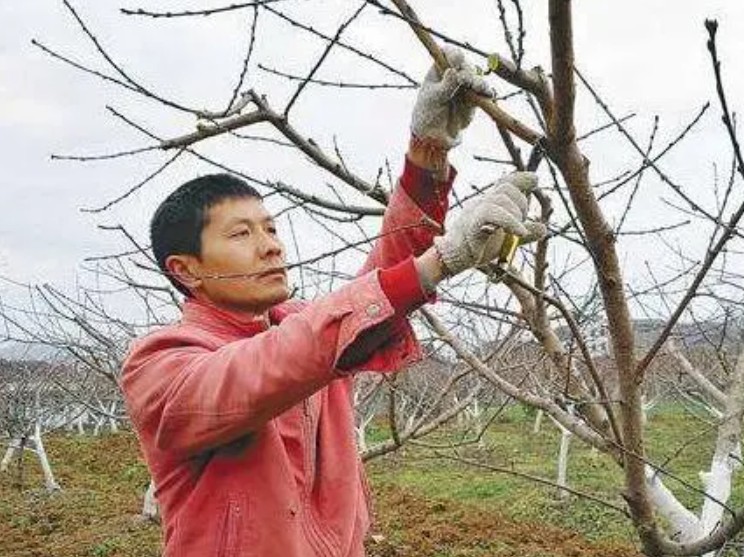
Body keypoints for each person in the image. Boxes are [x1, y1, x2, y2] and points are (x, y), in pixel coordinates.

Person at [120, 47, 545, 557]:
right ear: (186, 269)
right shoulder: (160, 365)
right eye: (241, 234)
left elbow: (371, 295)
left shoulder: (301, 329)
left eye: (271, 228)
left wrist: (427, 154)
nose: (271, 244)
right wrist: (436, 262)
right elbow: (271, 364)